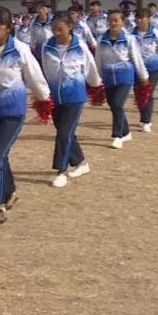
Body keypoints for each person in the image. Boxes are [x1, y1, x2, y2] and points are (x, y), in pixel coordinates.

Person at [0, 6, 50, 225]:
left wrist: (44, 98)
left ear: (8, 28)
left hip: (13, 111)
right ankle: (11, 191)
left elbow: (33, 74)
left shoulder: (19, 49)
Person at [40, 13, 101, 188]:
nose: (56, 33)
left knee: (64, 132)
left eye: (60, 29)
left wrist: (96, 85)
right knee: (65, 132)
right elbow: (45, 69)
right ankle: (81, 162)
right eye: (54, 29)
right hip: (55, 96)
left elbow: (90, 68)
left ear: (70, 27)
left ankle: (61, 170)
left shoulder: (80, 46)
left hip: (75, 96)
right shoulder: (47, 47)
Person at [94, 11, 149, 150]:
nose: (113, 23)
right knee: (114, 106)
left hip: (124, 76)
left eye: (116, 20)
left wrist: (143, 76)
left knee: (118, 104)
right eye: (110, 20)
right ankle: (126, 131)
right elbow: (98, 60)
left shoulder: (129, 39)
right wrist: (97, 79)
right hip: (108, 77)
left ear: (123, 22)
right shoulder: (101, 40)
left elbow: (136, 58)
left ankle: (117, 136)